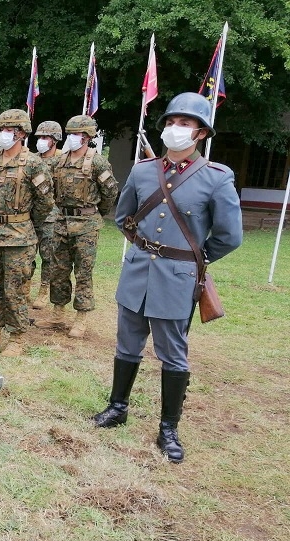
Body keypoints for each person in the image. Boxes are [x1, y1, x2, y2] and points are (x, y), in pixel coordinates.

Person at [92, 92, 243, 463]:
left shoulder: (216, 177)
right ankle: (117, 407)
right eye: (172, 122)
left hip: (178, 279)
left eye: (185, 123)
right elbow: (123, 217)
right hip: (136, 274)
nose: (176, 129)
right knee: (126, 346)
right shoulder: (144, 171)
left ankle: (168, 428)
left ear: (201, 133)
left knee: (173, 355)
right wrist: (145, 248)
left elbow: (229, 235)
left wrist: (193, 260)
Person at [0, 109, 55, 357]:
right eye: (2, 129)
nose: (4, 134)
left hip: (19, 236)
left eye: (9, 130)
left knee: (16, 288)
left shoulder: (34, 163)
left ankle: (17, 337)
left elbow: (45, 202)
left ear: (22, 133)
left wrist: (24, 222)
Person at [35, 114, 118, 338]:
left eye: (77, 134)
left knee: (83, 272)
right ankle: (58, 312)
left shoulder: (97, 162)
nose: (72, 137)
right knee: (58, 270)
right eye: (70, 133)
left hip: (86, 226)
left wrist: (95, 213)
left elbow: (110, 192)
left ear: (88, 136)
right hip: (60, 223)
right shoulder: (58, 161)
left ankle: (81, 317)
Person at [31, 120, 63, 309]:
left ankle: (44, 290)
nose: (41, 141)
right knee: (27, 253)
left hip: (51, 216)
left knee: (48, 255)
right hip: (30, 214)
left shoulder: (62, 161)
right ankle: (25, 286)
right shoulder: (33, 159)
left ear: (55, 140)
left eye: (45, 137)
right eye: (40, 137)